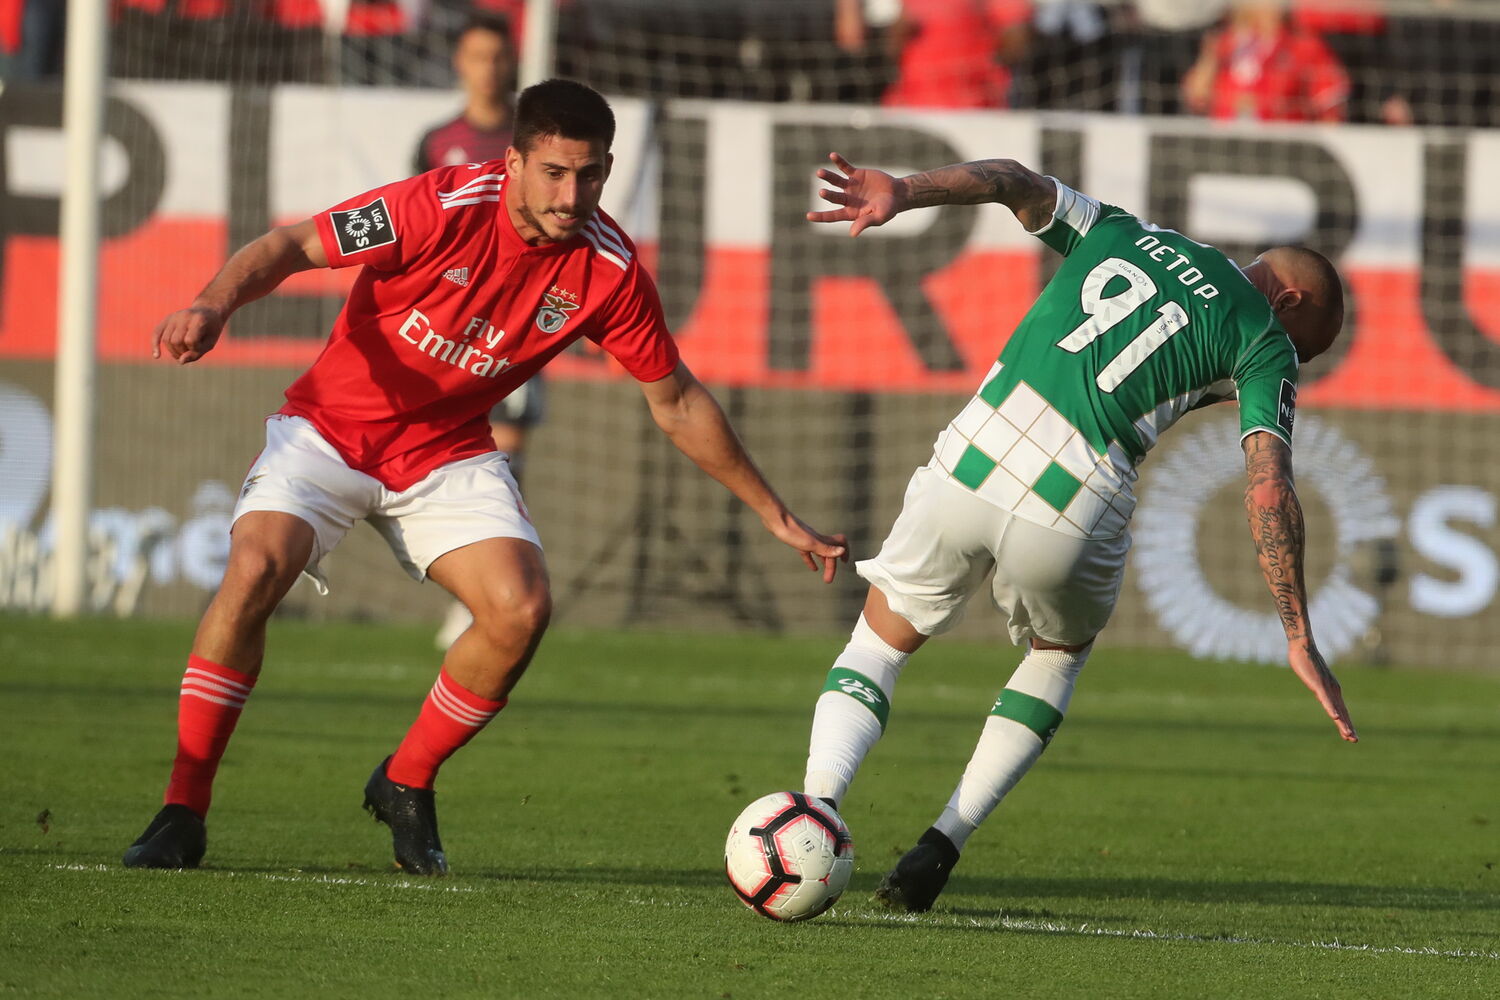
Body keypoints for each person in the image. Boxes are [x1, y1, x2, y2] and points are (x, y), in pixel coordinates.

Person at [123, 79, 848, 876]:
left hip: (446, 453)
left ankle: (406, 778)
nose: (572, 196)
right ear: (514, 163)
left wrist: (774, 512)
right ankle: (183, 808)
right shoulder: (436, 205)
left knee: (520, 610)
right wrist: (212, 305)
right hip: (330, 432)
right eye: (554, 173)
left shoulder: (609, 269)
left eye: (590, 175)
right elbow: (293, 245)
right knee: (256, 566)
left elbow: (675, 401)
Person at [799, 151, 1357, 913]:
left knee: (878, 645)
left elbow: (1011, 179)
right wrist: (1297, 633)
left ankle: (813, 811)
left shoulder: (1126, 231)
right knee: (1057, 655)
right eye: (1307, 346)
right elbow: (1268, 487)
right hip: (1075, 502)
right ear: (1289, 300)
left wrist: (905, 190)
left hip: (974, 454)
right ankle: (942, 843)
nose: (1299, 361)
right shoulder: (1265, 340)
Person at [410, 11, 543, 651]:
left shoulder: (534, 142)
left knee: (504, 454)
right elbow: (415, 225)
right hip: (445, 329)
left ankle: (484, 592)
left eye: (498, 57)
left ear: (511, 62)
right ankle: (462, 577)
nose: (488, 69)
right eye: (477, 57)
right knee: (440, 451)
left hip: (516, 328)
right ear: (459, 63)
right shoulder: (438, 142)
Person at [1181, 1, 1350, 123]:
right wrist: (1209, 58)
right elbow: (1197, 97)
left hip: (1284, 145)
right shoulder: (1225, 42)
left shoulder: (1304, 45)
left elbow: (1330, 107)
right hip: (1227, 144)